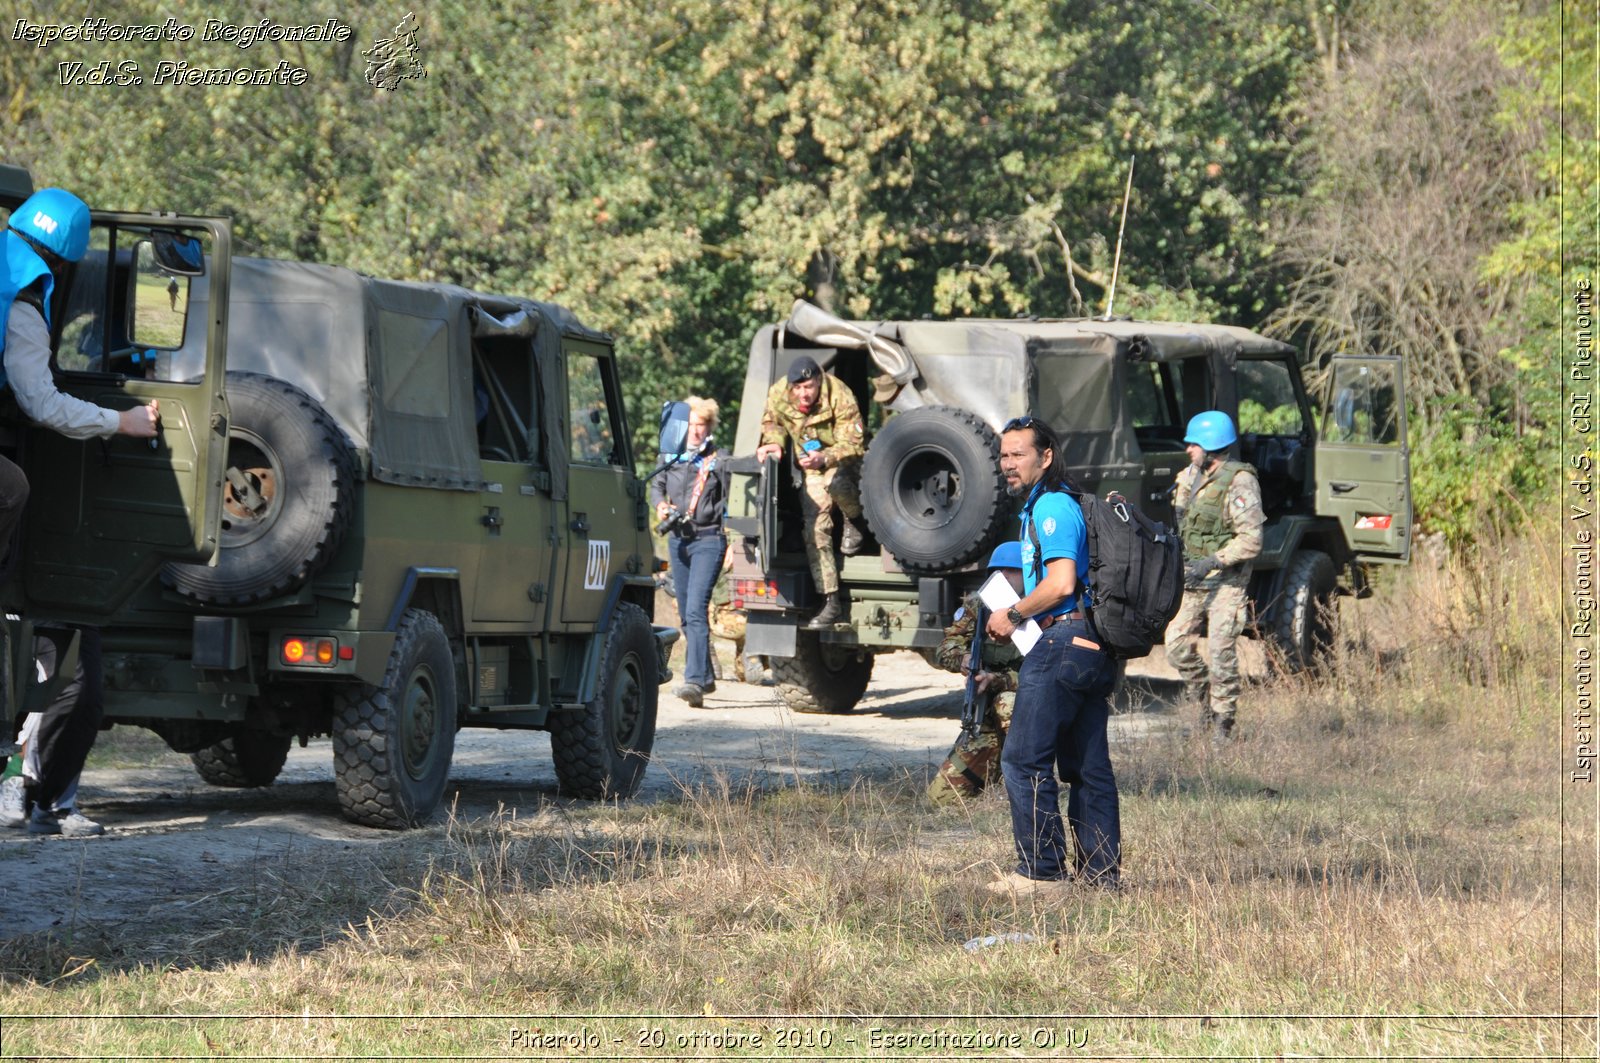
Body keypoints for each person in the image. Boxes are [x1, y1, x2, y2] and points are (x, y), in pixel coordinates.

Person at [2, 187, 159, 836]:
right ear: (64, 265)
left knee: (66, 675)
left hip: (42, 532)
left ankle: (40, 796)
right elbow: (43, 403)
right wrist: (121, 420)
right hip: (29, 490)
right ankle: (23, 793)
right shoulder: (26, 305)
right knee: (11, 487)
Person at [984, 416, 1120, 894]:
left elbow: (1061, 582)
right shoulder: (1052, 504)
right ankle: (1101, 879)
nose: (1008, 464)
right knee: (1087, 767)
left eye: (1018, 453)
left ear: (1046, 456)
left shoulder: (1053, 507)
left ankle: (1041, 873)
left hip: (1062, 641)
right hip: (1088, 645)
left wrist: (1014, 613)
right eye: (1004, 455)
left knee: (1023, 760)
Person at [1165, 410, 1265, 744]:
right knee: (1175, 644)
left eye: (1194, 444)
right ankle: (1203, 700)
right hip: (1193, 576)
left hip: (1226, 579)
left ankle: (1223, 721)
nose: (1188, 449)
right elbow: (1182, 520)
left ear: (1212, 446)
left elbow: (1251, 539)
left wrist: (1214, 560)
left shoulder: (1240, 482)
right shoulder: (1189, 476)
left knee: (1222, 648)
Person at [753, 355, 866, 628]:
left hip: (842, 460)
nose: (803, 394)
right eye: (798, 388)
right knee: (815, 528)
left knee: (836, 484)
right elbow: (773, 423)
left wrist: (825, 458)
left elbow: (854, 443)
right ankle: (830, 601)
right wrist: (774, 444)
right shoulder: (780, 393)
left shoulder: (839, 394)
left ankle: (855, 519)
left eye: (809, 387)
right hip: (810, 465)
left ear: (819, 382)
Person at [927, 541, 1025, 804]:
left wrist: (999, 680)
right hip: (985, 711)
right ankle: (995, 774)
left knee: (1009, 704)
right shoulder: (980, 605)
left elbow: (1043, 673)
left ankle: (1026, 783)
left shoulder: (1041, 609)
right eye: (998, 571)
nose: (1003, 577)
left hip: (1023, 704)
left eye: (1011, 570)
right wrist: (963, 658)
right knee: (941, 798)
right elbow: (945, 647)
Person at [651, 396, 730, 708]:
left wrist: (733, 541)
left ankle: (694, 681)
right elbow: (657, 487)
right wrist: (660, 505)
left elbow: (732, 501)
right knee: (685, 613)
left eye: (702, 425)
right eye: (692, 425)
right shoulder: (670, 456)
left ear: (709, 427)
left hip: (708, 540)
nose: (696, 431)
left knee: (696, 609)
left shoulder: (719, 460)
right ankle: (707, 676)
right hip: (678, 540)